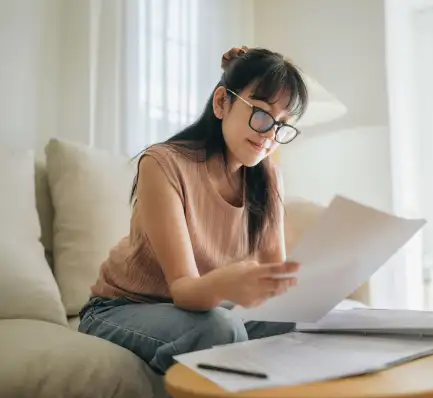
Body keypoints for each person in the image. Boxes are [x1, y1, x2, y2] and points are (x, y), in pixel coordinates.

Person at [78, 46, 309, 374]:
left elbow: (276, 283)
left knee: (288, 319)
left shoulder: (268, 177)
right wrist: (228, 284)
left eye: (282, 125)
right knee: (219, 329)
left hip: (198, 306)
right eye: (261, 114)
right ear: (221, 103)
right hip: (123, 307)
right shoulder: (163, 164)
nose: (270, 135)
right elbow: (184, 289)